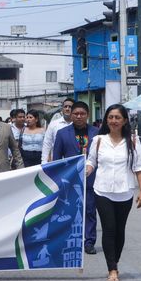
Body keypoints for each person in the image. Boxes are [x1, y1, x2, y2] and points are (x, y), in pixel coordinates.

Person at [86, 104, 141, 281]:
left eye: (117, 117)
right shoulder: (98, 140)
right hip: (102, 190)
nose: (113, 121)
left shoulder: (133, 141)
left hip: (124, 191)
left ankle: (115, 261)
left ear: (124, 120)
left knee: (120, 231)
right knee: (109, 229)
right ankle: (112, 269)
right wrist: (86, 170)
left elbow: (139, 167)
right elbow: (91, 161)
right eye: (110, 117)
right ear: (106, 120)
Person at [53, 101, 99, 255]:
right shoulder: (62, 133)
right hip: (70, 179)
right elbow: (57, 158)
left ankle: (89, 241)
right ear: (70, 115)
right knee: (69, 211)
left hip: (91, 178)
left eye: (82, 114)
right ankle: (69, 240)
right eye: (76, 114)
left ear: (88, 115)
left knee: (90, 211)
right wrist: (58, 179)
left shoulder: (96, 133)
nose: (79, 116)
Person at [42, 98, 74, 164]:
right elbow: (47, 143)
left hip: (74, 162)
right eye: (65, 106)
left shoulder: (77, 125)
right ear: (62, 109)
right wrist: (44, 161)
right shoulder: (53, 124)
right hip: (57, 161)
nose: (67, 109)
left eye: (70, 107)